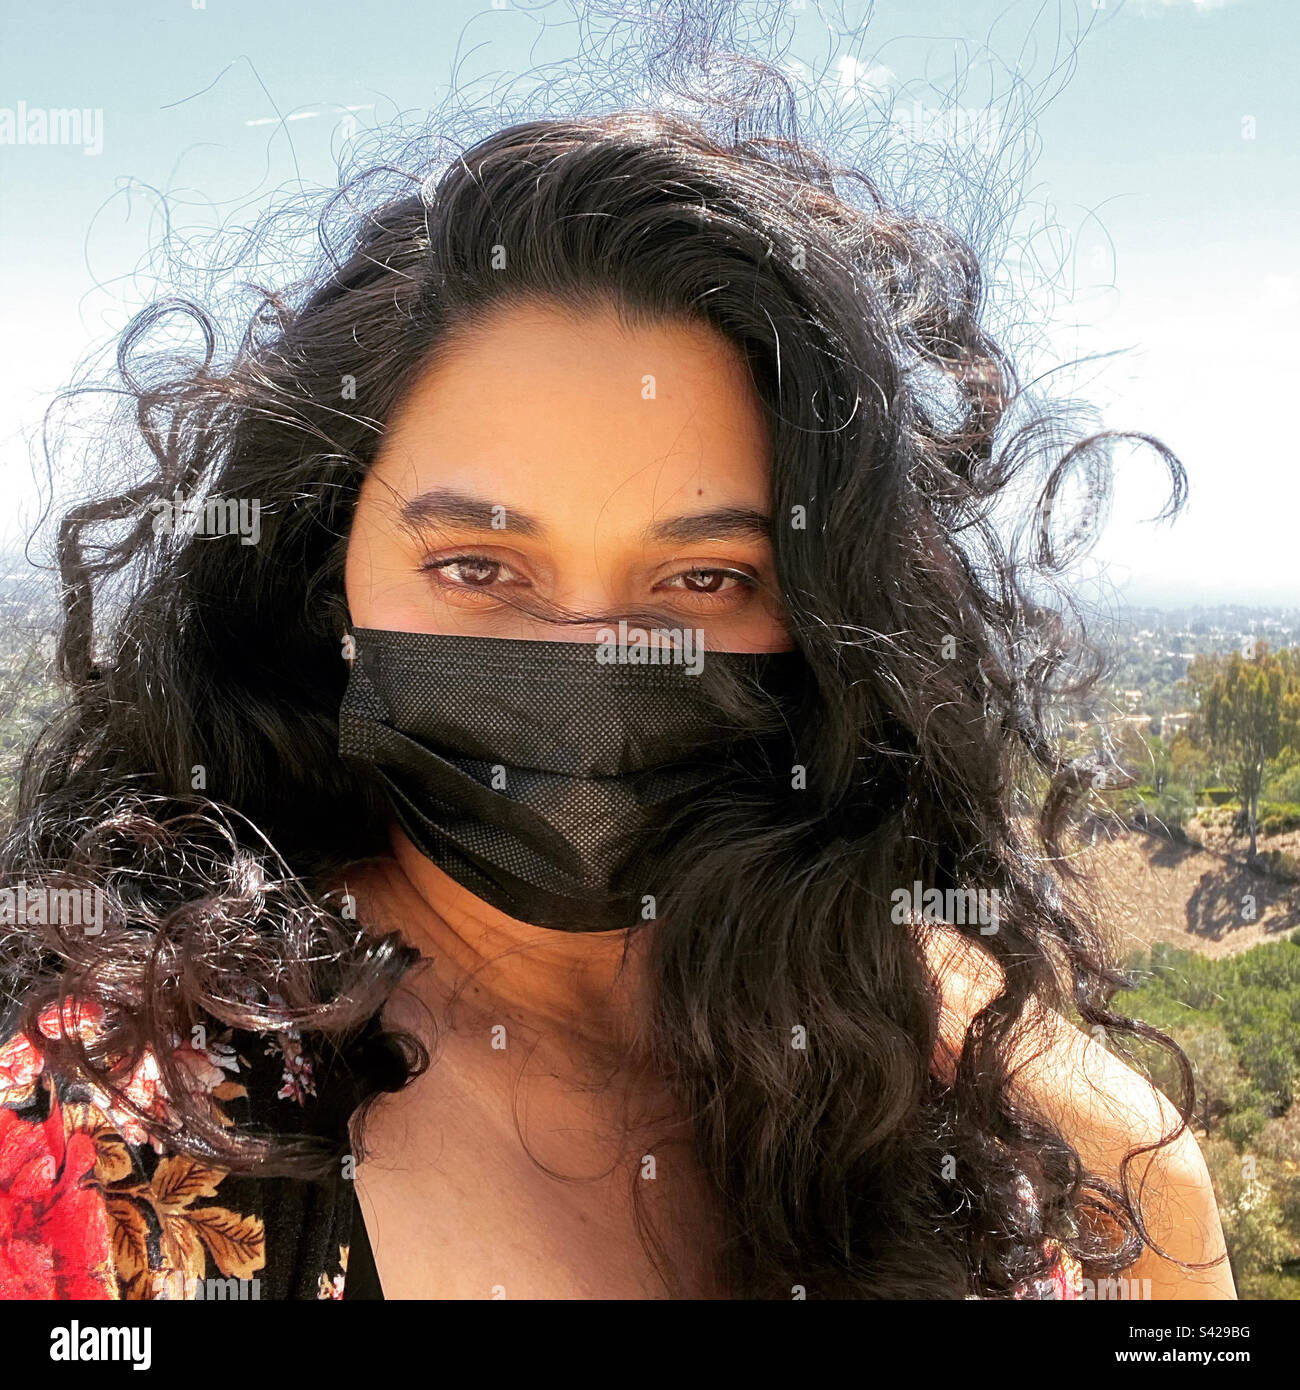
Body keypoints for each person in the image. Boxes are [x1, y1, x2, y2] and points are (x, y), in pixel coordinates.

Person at [0, 105, 1234, 1300]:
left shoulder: (1005, 1129)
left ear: (823, 620)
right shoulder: (96, 1144)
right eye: (478, 568)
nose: (587, 666)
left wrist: (1149, 1168)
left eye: (700, 578)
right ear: (327, 577)